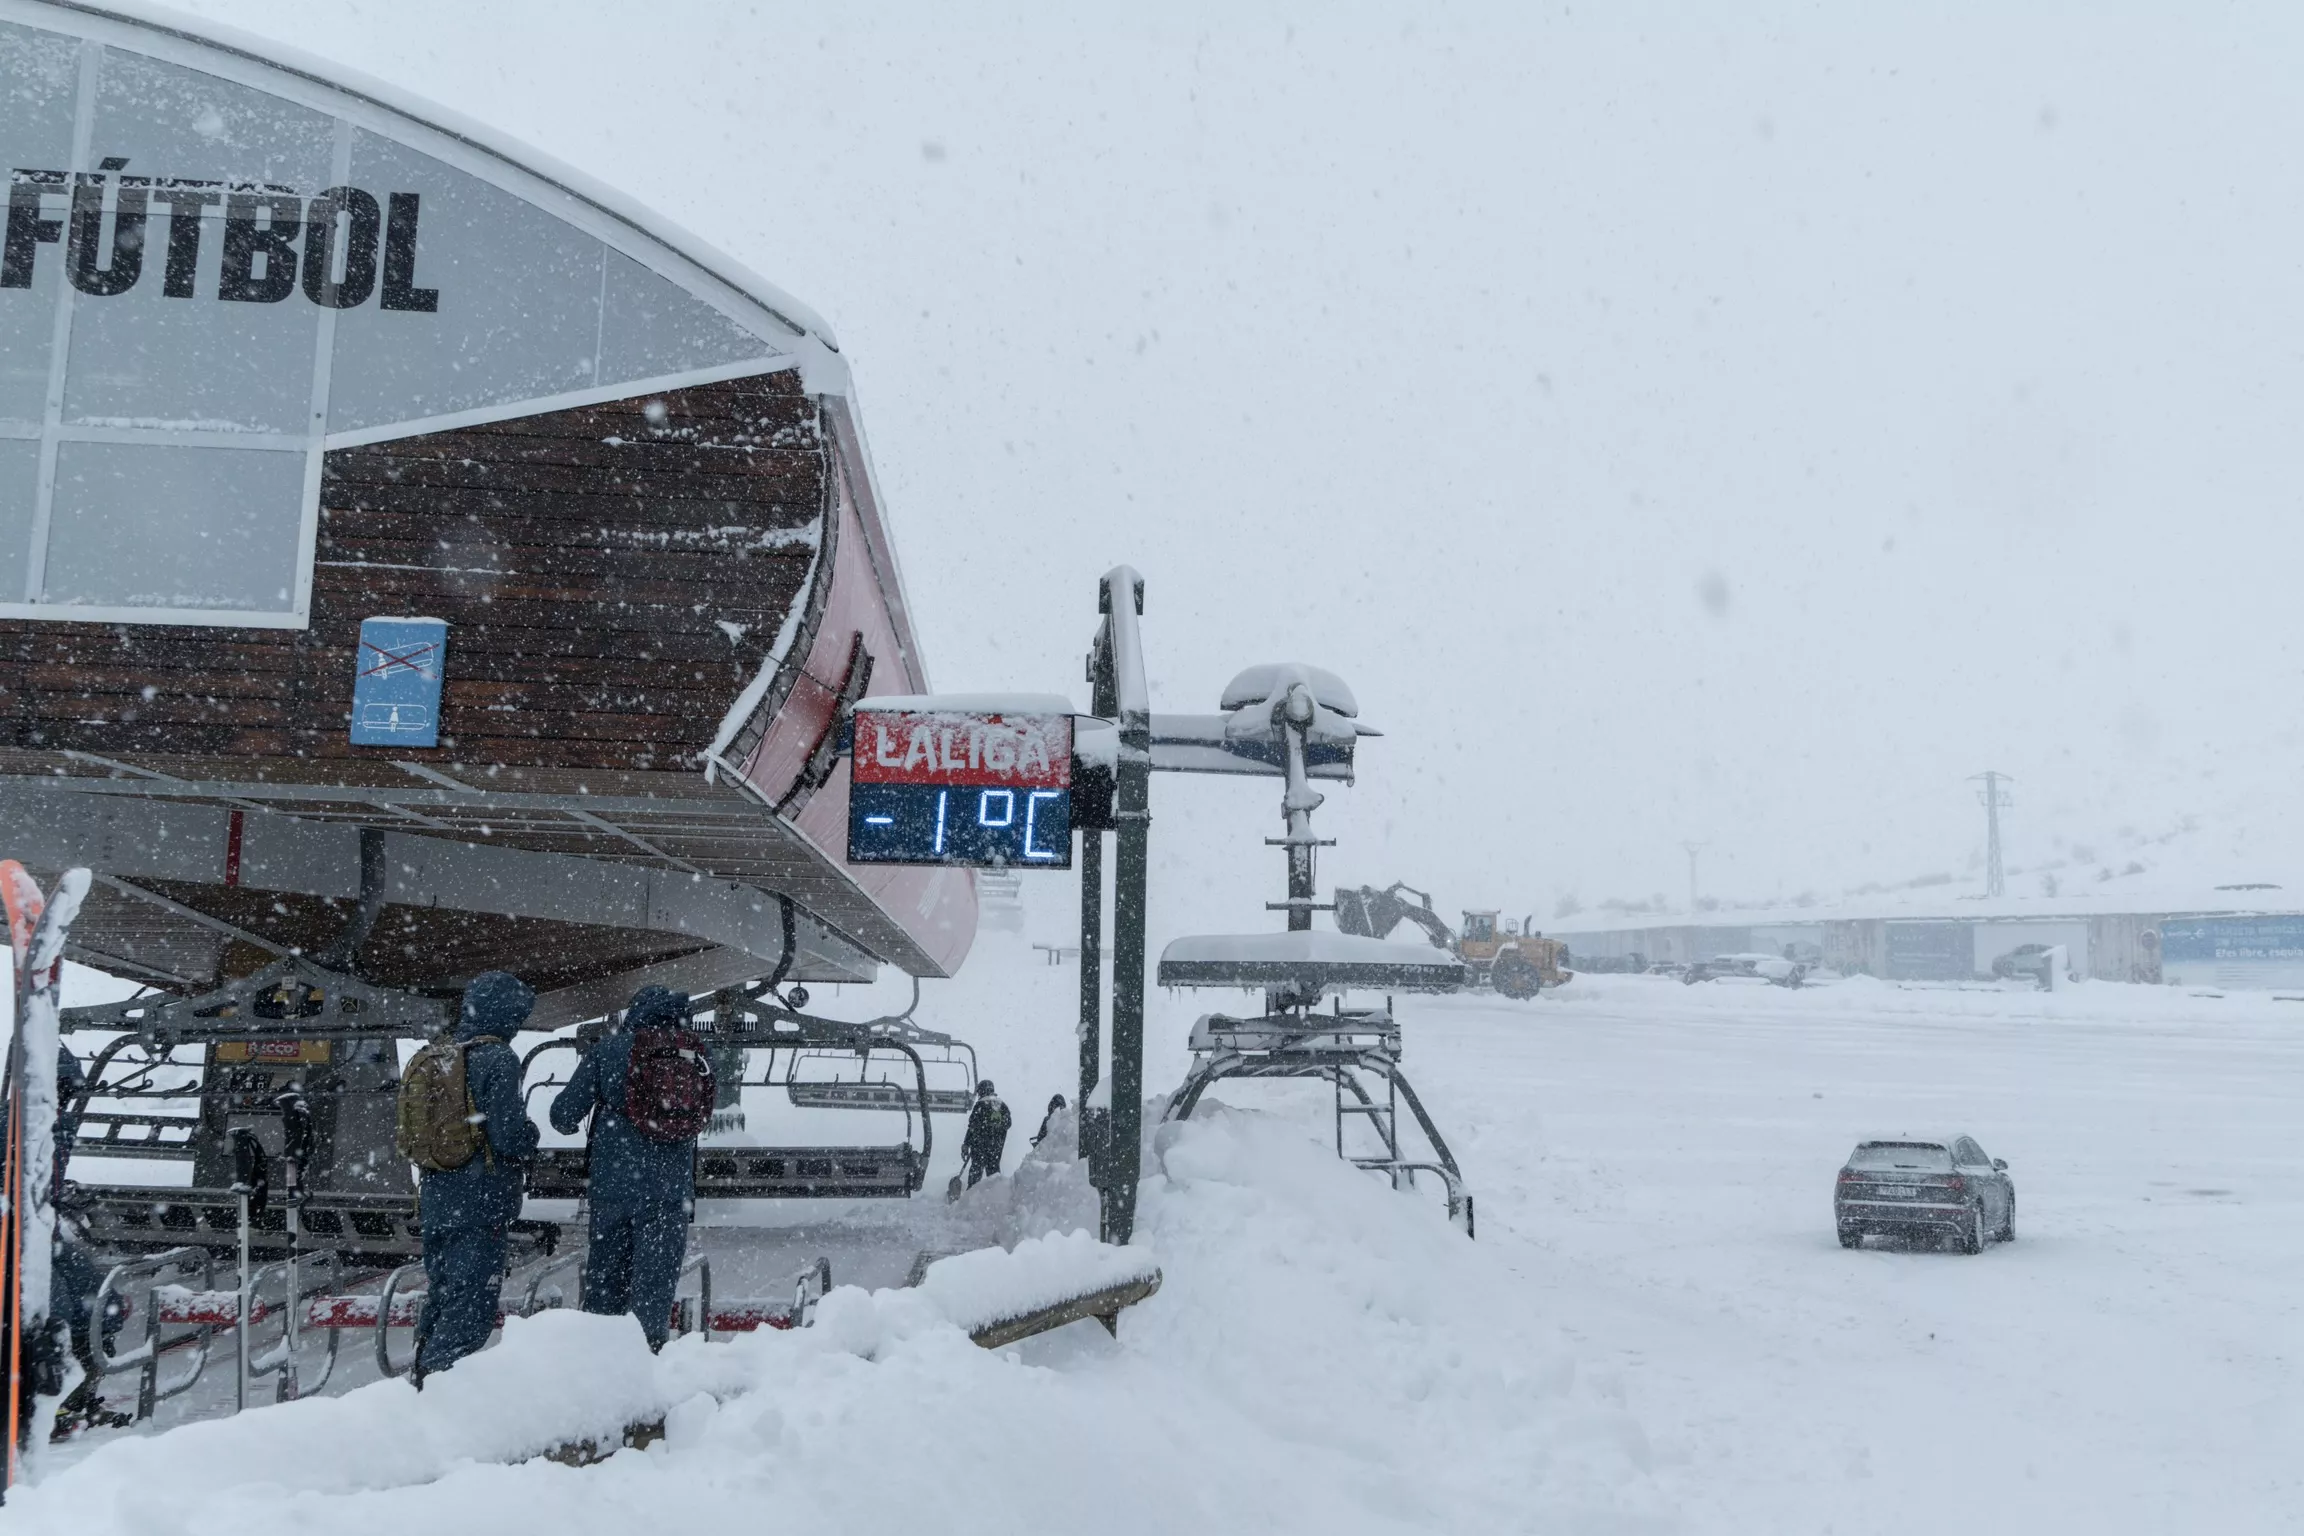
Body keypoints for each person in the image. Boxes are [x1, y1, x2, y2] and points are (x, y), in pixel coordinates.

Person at [550, 986, 703, 1351]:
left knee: (605, 1281)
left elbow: (562, 1114)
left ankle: (600, 1362)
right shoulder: (693, 1052)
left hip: (613, 1188)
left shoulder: (608, 1050)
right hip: (669, 1191)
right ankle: (648, 1360)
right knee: (654, 1284)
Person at [413, 970, 540, 1382]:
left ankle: (419, 1378)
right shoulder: (497, 1058)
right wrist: (530, 1136)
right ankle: (438, 1390)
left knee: (443, 1295)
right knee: (471, 1308)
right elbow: (507, 1135)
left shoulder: (440, 1054)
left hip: (436, 1196)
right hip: (480, 1201)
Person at [961, 1079, 1012, 1187]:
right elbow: (1008, 1124)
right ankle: (996, 1196)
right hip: (996, 1148)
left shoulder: (980, 1104)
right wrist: (995, 1132)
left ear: (981, 1091)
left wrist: (966, 1144)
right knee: (993, 1173)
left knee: (976, 1172)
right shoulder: (1002, 1105)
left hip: (979, 1147)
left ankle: (969, 1199)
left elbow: (972, 1127)